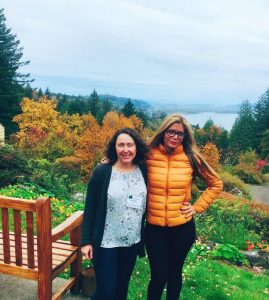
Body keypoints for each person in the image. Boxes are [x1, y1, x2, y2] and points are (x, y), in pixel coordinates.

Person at [145, 113, 223, 300]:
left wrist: (196, 208)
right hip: (154, 229)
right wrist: (108, 161)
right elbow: (125, 157)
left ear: (185, 136)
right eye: (171, 132)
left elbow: (216, 183)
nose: (175, 137)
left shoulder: (191, 157)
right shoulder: (148, 153)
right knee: (158, 276)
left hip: (183, 228)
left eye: (180, 134)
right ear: (163, 132)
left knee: (174, 274)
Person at [81, 127, 149, 300]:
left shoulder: (144, 170)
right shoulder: (102, 172)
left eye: (130, 145)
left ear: (137, 147)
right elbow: (90, 208)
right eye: (121, 145)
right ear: (115, 148)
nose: (126, 150)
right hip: (106, 243)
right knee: (106, 291)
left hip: (131, 242)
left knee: (121, 289)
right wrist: (86, 241)